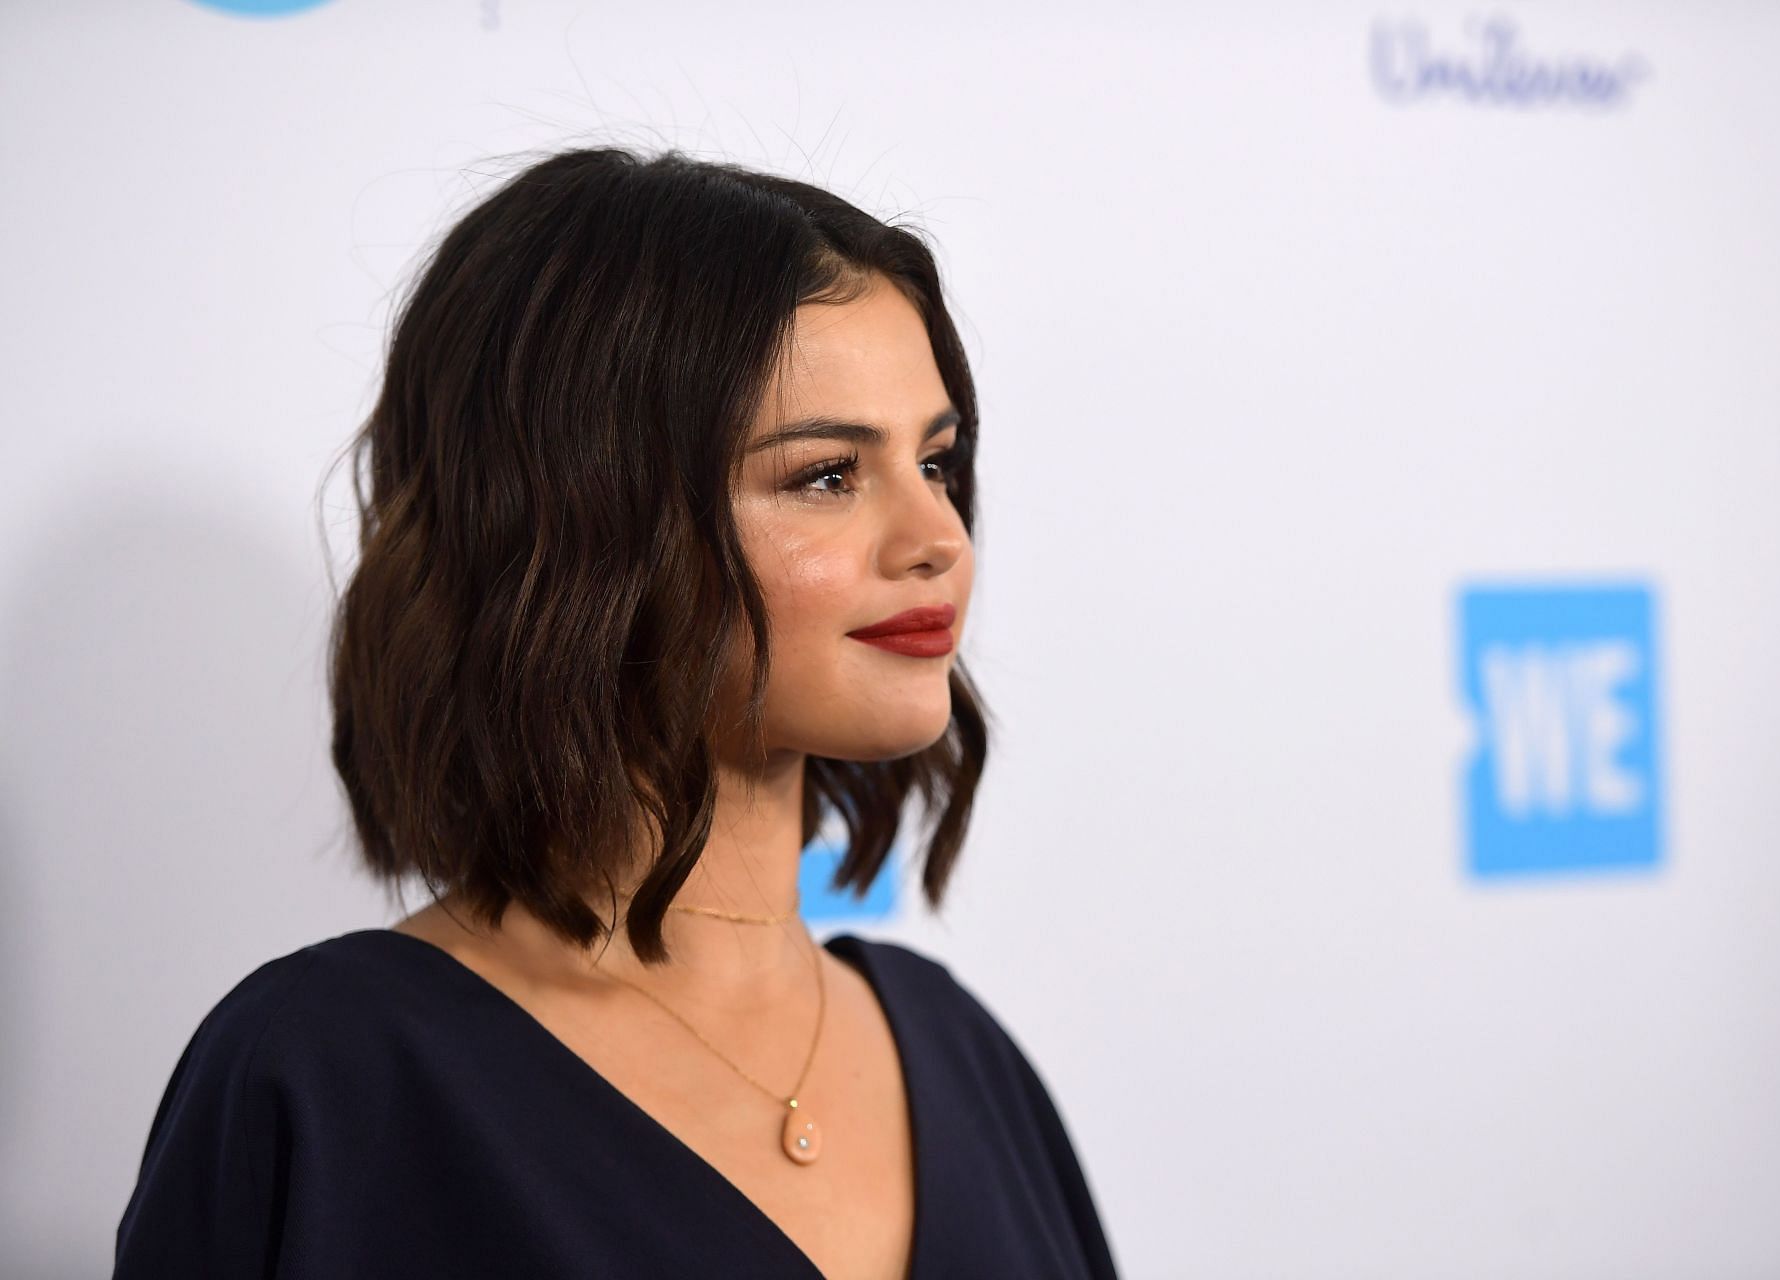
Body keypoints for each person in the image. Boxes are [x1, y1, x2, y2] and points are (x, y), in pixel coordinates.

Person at [111, 145, 1119, 1279]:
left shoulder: (965, 1061)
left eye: (936, 462)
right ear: (588, 527)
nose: (938, 537)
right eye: (827, 474)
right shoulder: (331, 1078)